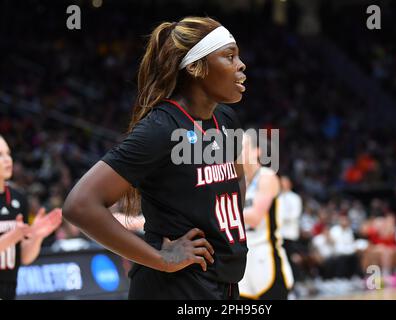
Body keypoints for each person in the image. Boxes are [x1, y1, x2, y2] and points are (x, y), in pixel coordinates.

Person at [63, 16, 248, 300]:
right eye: (229, 56)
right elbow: (80, 205)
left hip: (223, 283)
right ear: (197, 67)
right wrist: (161, 259)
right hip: (174, 288)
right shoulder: (161, 128)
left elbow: (236, 180)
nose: (240, 65)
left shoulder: (225, 118)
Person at [0, 135, 62, 300]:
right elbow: (13, 237)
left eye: (8, 153)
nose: (8, 160)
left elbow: (24, 258)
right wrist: (13, 236)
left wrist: (36, 237)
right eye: (0, 155)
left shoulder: (19, 198)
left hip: (9, 290)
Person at [238, 132, 294, 300]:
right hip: (244, 259)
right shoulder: (237, 182)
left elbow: (255, 217)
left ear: (257, 152)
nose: (237, 151)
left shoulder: (266, 177)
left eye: (242, 146)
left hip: (267, 258)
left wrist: (223, 211)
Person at [277, 175, 302, 281]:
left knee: (292, 259)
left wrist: (279, 218)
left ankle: (295, 283)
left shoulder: (295, 198)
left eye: (285, 182)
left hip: (290, 234)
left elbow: (294, 215)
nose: (282, 184)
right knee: (281, 260)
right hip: (279, 234)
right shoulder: (277, 197)